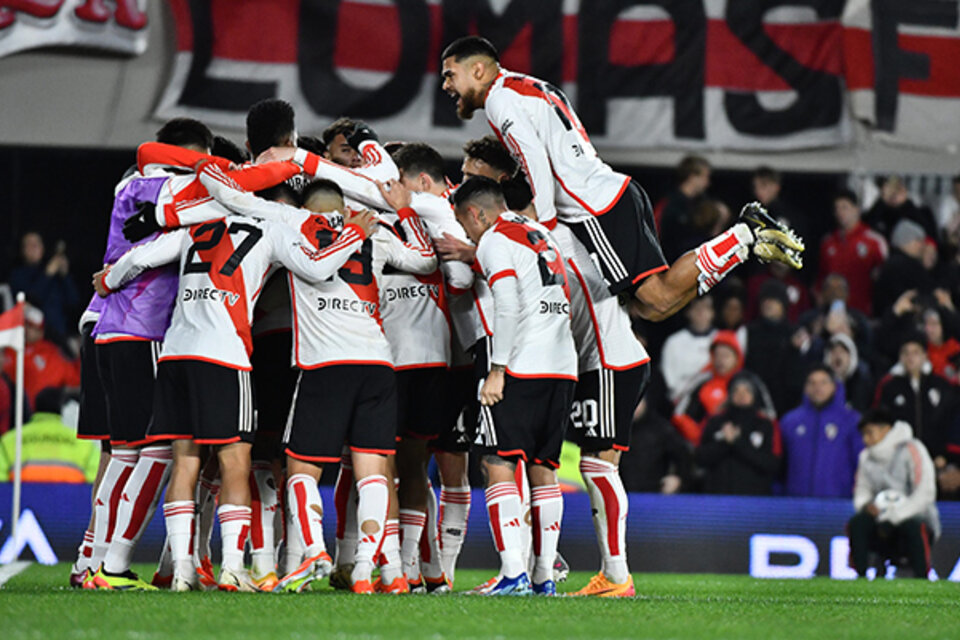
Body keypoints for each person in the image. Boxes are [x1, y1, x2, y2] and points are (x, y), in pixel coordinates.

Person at [440, 34, 802, 599]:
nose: (447, 86)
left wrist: (529, 222)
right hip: (608, 201)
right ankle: (555, 570)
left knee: (648, 314)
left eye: (452, 74)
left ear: (481, 70)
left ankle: (744, 234)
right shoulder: (529, 90)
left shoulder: (503, 104)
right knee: (648, 304)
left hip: (595, 221)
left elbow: (538, 172)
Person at [91, 160, 377, 593]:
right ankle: (232, 568)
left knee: (185, 462)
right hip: (225, 356)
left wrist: (108, 281)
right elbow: (318, 269)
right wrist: (355, 233)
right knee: (235, 463)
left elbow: (143, 256)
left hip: (175, 354)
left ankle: (183, 572)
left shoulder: (198, 228)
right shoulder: (273, 229)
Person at [194, 161, 437, 594]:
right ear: (344, 207)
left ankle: (313, 554)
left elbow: (233, 198)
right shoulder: (375, 229)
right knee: (374, 470)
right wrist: (404, 211)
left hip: (324, 366)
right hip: (378, 364)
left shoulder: (291, 221)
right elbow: (424, 259)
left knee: (301, 467)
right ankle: (373, 570)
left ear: (305, 206)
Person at [451, 177, 576, 596]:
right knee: (544, 468)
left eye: (464, 224)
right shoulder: (541, 233)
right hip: (563, 365)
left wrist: (498, 369)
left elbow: (506, 304)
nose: (468, 234)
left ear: (476, 213)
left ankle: (512, 574)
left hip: (523, 364)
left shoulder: (493, 239)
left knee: (497, 462)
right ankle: (543, 577)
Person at [848, 408, 939, 578]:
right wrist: (866, 505)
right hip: (880, 518)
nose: (865, 439)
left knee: (914, 526)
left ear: (886, 429)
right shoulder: (866, 457)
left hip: (914, 517)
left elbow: (925, 492)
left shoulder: (913, 449)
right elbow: (862, 489)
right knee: (858, 523)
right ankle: (859, 576)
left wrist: (895, 517)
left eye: (869, 432)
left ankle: (922, 577)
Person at [874, 333, 956, 471]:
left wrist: (945, 455)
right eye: (906, 352)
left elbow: (949, 421)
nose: (910, 357)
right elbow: (880, 422)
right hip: (899, 463)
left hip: (935, 462)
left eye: (915, 352)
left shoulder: (940, 385)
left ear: (925, 355)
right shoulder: (889, 387)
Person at [779, 366, 862, 497]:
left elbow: (861, 461)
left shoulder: (851, 420)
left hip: (839, 504)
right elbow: (780, 466)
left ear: (834, 386)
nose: (817, 387)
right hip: (795, 504)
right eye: (812, 383)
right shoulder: (790, 421)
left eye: (823, 382)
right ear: (805, 387)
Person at [695, 373, 782, 496]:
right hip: (717, 497)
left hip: (754, 499)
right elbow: (700, 457)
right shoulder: (715, 421)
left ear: (754, 394)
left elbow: (772, 464)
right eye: (736, 390)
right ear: (729, 394)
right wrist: (724, 443)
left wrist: (737, 442)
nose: (741, 395)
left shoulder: (766, 425)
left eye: (747, 390)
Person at [0, 387, 99, 483]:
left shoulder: (9, 440)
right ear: (60, 408)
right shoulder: (84, 442)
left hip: (20, 498)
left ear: (35, 407)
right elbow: (94, 478)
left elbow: (1, 479)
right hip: (69, 497)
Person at [818, 190, 887, 315]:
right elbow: (821, 279)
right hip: (832, 312)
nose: (840, 213)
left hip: (863, 312)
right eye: (837, 208)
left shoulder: (874, 241)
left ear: (857, 209)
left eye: (845, 207)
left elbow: (884, 280)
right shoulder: (828, 242)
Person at [1, 305, 79, 410]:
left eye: (32, 327)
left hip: (40, 410)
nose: (27, 330)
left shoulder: (51, 353)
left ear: (41, 331)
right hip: (11, 410)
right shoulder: (7, 349)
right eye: (26, 325)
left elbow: (73, 380)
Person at [8, 231, 81, 345]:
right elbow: (31, 300)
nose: (34, 247)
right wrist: (48, 273)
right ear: (22, 250)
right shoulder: (17, 274)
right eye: (29, 244)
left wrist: (65, 275)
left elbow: (73, 302)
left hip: (60, 338)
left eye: (37, 244)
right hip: (34, 340)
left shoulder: (55, 273)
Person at [744, 280, 804, 414]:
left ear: (783, 304)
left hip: (787, 403)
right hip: (754, 400)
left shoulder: (795, 333)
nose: (767, 303)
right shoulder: (749, 332)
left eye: (773, 299)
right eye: (764, 299)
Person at [618, 398, 693, 494]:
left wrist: (678, 478)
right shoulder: (613, 429)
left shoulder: (660, 428)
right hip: (620, 492)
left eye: (638, 402)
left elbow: (684, 455)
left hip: (655, 494)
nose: (634, 407)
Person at [873, 219, 936, 316]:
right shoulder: (910, 266)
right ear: (907, 241)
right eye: (919, 240)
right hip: (903, 322)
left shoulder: (888, 263)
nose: (923, 246)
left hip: (886, 319)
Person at [660, 295, 716, 403]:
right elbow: (669, 377)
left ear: (713, 313)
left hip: (713, 399)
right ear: (688, 312)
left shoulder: (721, 339)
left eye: (706, 307)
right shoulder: (674, 342)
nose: (701, 312)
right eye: (697, 308)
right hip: (680, 399)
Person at [656, 155, 712, 263]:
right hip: (669, 265)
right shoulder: (669, 203)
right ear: (693, 177)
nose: (708, 183)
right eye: (706, 177)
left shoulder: (700, 204)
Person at [865, 175, 938, 242]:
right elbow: (866, 229)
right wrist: (882, 201)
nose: (893, 192)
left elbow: (929, 235)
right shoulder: (879, 213)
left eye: (897, 188)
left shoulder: (922, 212)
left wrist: (905, 203)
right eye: (888, 189)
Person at [824, 333, 874, 413]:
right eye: (833, 352)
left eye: (842, 352)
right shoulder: (821, 380)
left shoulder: (861, 381)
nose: (837, 356)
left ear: (851, 357)